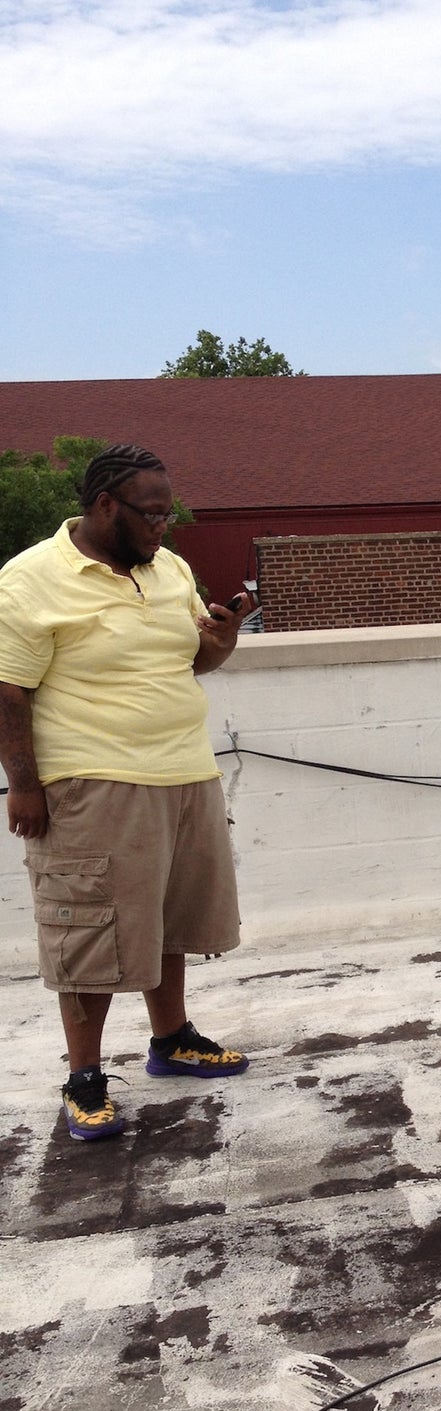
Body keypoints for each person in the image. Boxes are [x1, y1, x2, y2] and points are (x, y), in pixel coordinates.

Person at [0, 444, 251, 1143]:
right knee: (90, 932)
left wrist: (222, 640)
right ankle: (84, 1076)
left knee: (167, 918)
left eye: (167, 513)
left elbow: (192, 658)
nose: (162, 527)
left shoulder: (167, 570)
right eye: (150, 513)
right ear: (104, 505)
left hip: (183, 772)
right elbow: (7, 689)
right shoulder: (29, 580)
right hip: (92, 783)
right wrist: (23, 785)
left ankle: (171, 1039)